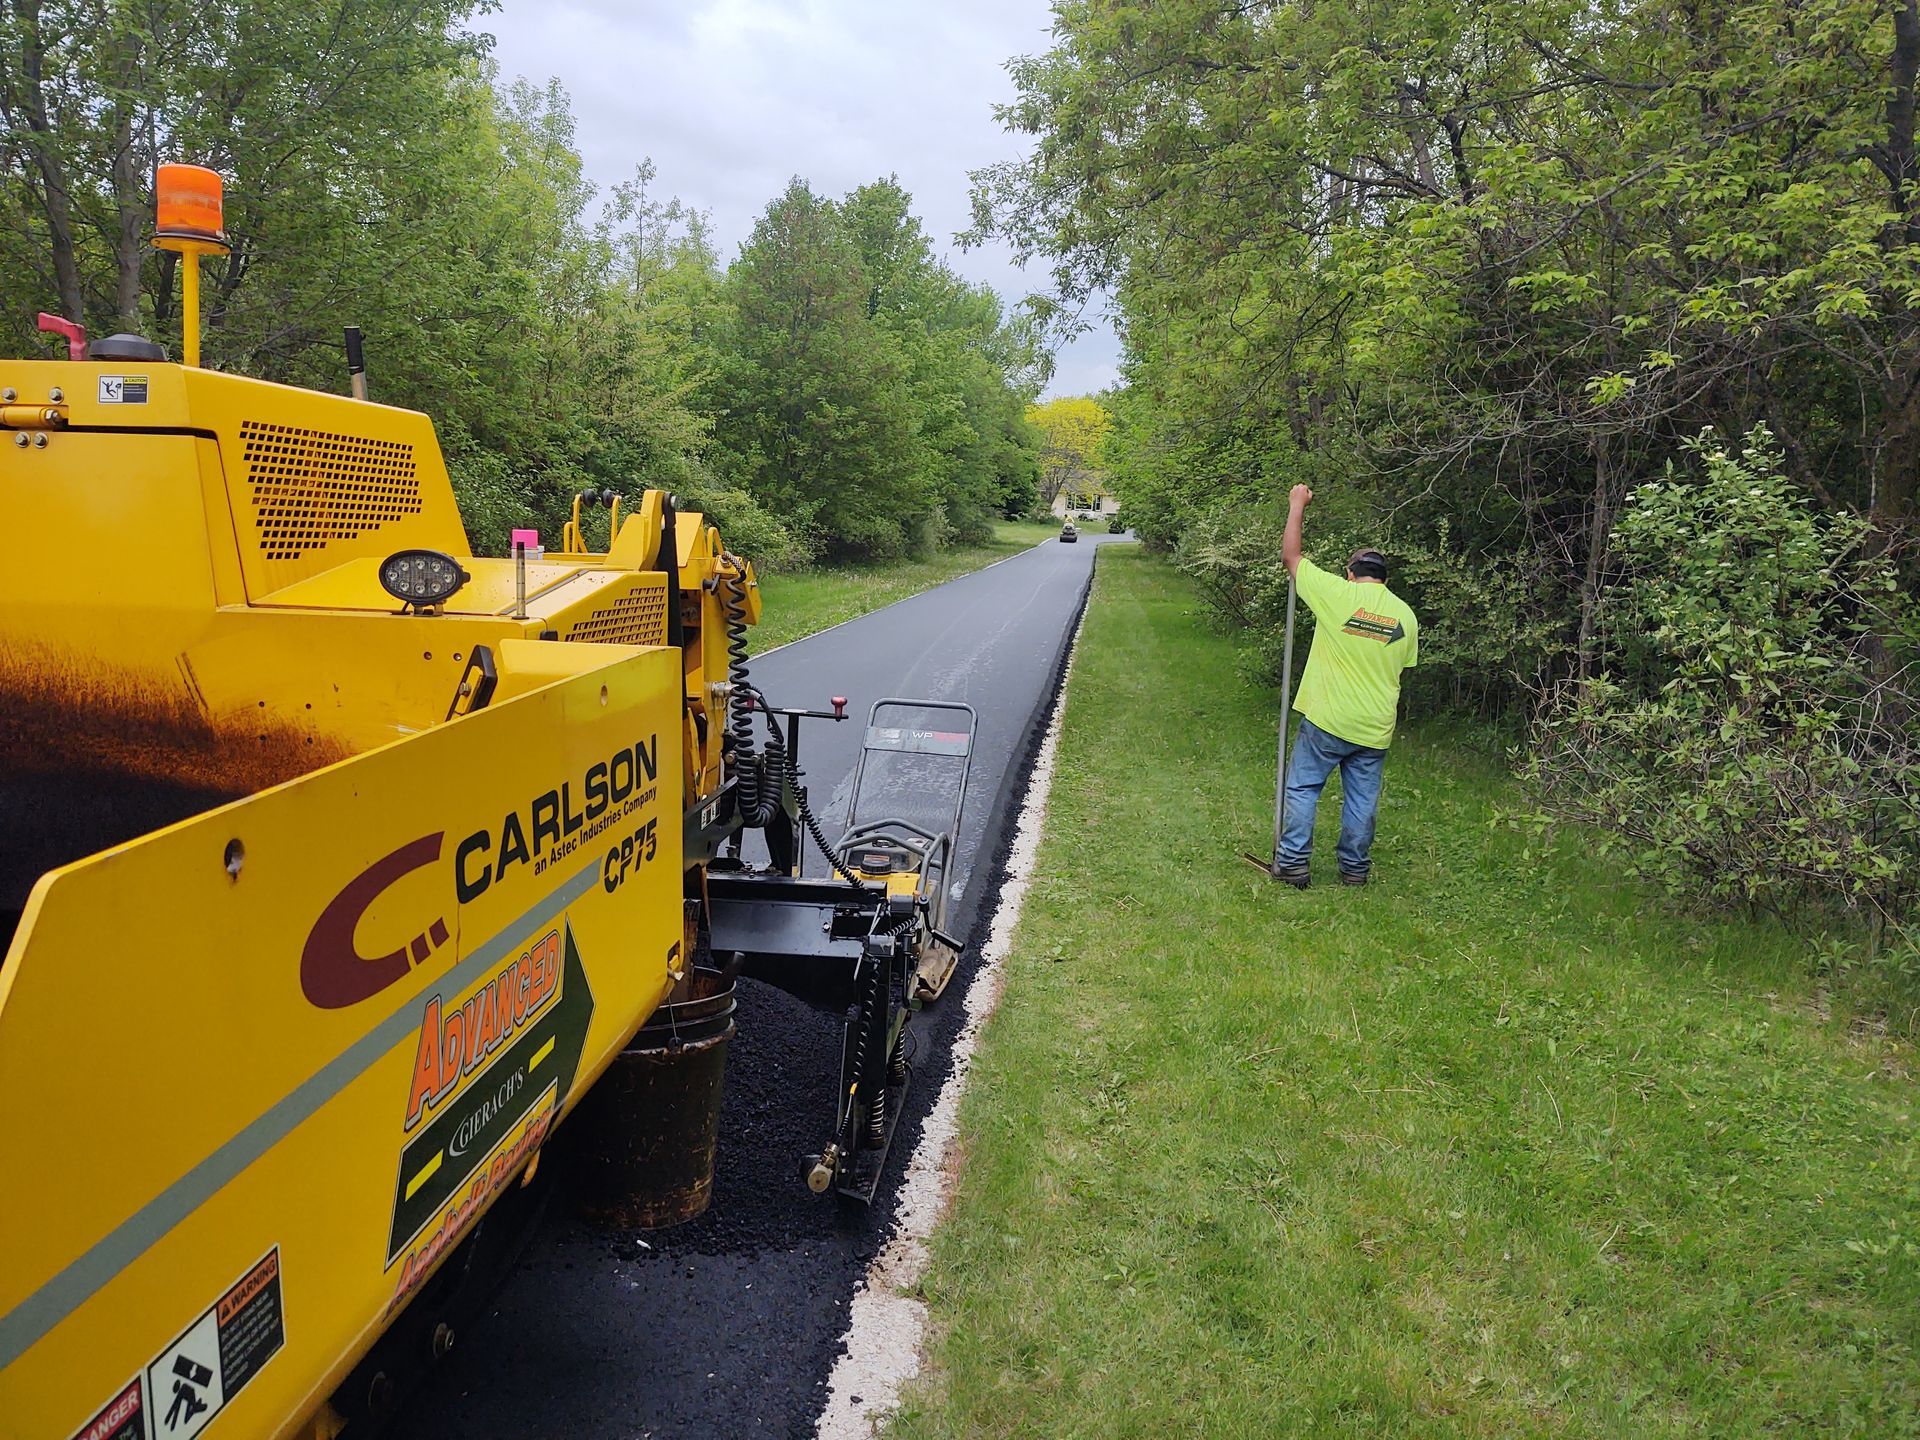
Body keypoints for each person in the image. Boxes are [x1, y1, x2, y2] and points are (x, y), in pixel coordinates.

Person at [1273, 483, 1419, 888]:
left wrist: (1296, 504)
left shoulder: (1338, 594)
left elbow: (1291, 557)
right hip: (1375, 726)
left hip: (1329, 718)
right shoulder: (1405, 616)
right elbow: (1403, 667)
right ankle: (1354, 871)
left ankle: (1294, 864)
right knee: (1362, 800)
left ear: (1351, 574)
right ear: (1384, 580)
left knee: (1303, 787)